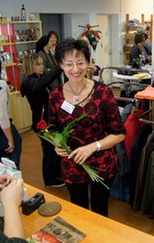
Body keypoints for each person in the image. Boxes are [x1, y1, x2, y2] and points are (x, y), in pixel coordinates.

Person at [49, 37, 126, 216]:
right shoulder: (55, 96)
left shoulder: (103, 92)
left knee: (100, 211)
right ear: (61, 64)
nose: (75, 69)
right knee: (79, 210)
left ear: (88, 63)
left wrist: (92, 147)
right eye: (69, 64)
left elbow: (120, 133)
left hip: (102, 162)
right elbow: (52, 127)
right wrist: (56, 144)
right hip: (72, 163)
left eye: (80, 62)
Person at [20, 54, 65, 187]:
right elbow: (42, 83)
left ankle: (56, 175)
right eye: (38, 64)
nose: (42, 67)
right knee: (49, 150)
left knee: (53, 149)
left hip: (47, 120)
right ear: (30, 66)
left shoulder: (38, 80)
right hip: (41, 123)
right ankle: (50, 180)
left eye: (42, 64)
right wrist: (60, 66)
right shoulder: (30, 82)